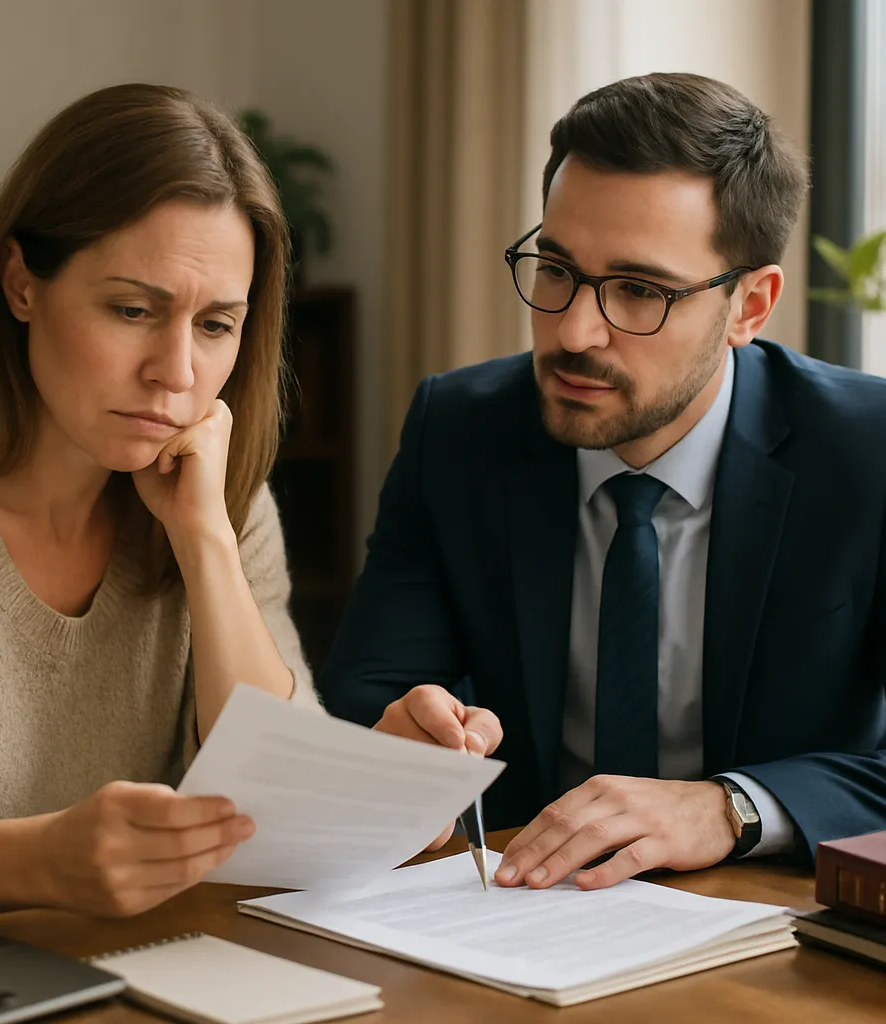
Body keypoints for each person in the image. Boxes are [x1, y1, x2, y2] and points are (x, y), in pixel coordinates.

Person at [319, 72, 886, 891]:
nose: (575, 331)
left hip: (767, 922)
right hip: (516, 909)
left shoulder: (866, 452)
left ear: (749, 307)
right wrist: (403, 741)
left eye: (639, 291)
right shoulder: (461, 428)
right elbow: (369, 690)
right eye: (556, 269)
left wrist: (729, 807)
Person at [0, 83, 326, 923]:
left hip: (147, 977)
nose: (176, 373)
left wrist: (205, 543)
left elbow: (288, 816)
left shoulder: (218, 507)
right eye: (131, 309)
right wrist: (39, 861)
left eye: (216, 325)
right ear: (21, 284)